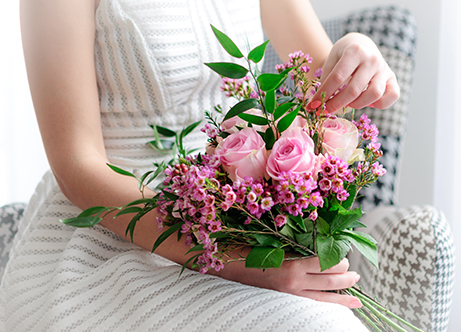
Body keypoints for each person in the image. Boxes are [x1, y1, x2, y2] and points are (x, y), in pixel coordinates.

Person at [1, 0, 399, 330]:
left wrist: (356, 50)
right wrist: (231, 260)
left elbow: (324, 88)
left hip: (233, 214)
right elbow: (77, 166)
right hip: (109, 240)